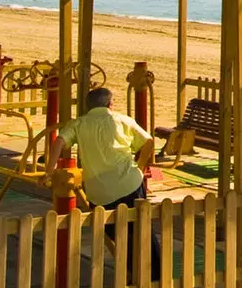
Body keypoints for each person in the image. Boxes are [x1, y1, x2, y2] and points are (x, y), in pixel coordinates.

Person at [47, 86, 159, 276]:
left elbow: (59, 141)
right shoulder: (121, 120)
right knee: (142, 230)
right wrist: (139, 166)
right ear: (110, 104)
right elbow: (148, 141)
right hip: (129, 184)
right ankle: (155, 276)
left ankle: (132, 273)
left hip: (99, 192)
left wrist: (49, 171)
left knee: (119, 235)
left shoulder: (79, 124)